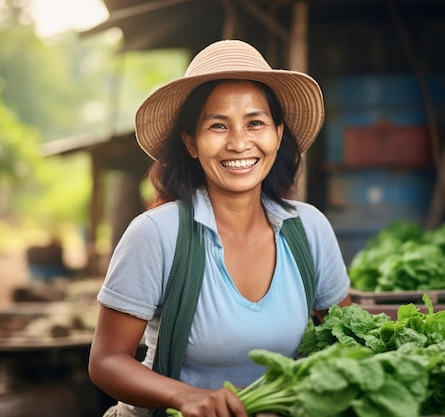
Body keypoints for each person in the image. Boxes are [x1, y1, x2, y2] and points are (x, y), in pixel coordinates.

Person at [88, 39, 352, 417]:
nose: (239, 143)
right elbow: (107, 361)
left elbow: (346, 338)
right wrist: (184, 396)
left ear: (278, 133)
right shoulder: (157, 234)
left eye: (256, 123)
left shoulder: (308, 229)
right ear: (191, 143)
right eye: (217, 126)